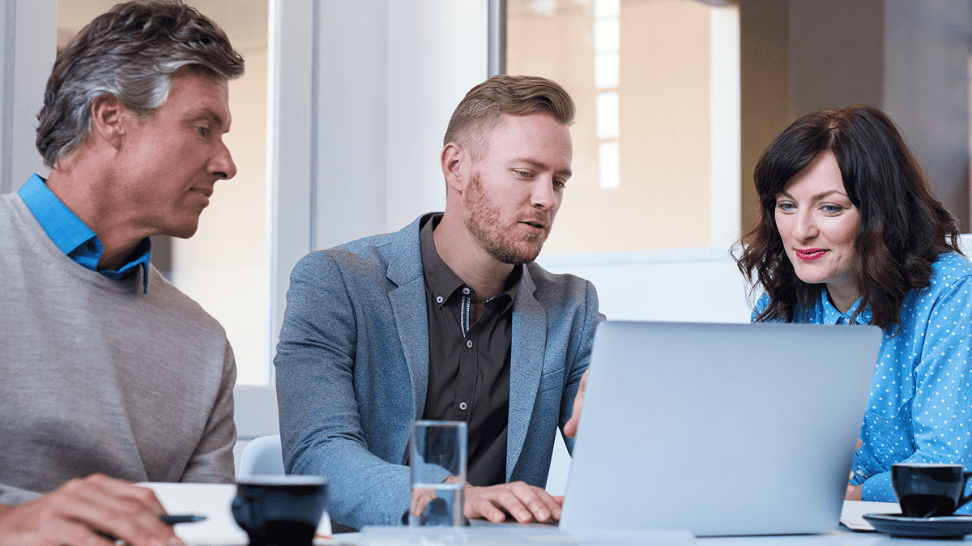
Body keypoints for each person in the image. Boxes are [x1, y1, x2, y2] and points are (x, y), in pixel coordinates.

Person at [274, 75, 604, 530]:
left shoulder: (572, 307)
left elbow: (620, 464)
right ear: (455, 166)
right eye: (526, 173)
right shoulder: (335, 283)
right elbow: (318, 455)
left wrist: (623, 418)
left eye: (559, 182)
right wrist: (451, 497)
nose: (546, 199)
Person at [0, 1, 244, 544]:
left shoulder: (204, 345)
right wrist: (13, 525)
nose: (226, 164)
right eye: (202, 129)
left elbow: (206, 533)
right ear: (111, 118)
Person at [735, 104, 972, 507]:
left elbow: (947, 464)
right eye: (787, 205)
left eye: (830, 207)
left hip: (928, 529)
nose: (801, 231)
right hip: (821, 524)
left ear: (881, 212)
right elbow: (758, 449)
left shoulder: (950, 293)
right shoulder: (779, 306)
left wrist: (857, 495)